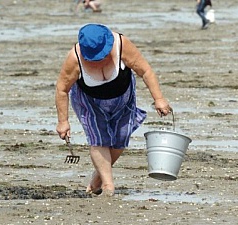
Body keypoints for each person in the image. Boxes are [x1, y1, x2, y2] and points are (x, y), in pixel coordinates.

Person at [55, 24, 172, 197]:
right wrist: (63, 121)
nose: (100, 59)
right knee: (99, 138)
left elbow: (145, 71)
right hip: (90, 103)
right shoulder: (74, 58)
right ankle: (108, 187)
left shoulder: (122, 45)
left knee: (120, 138)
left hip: (122, 98)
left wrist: (159, 99)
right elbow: (62, 89)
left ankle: (98, 177)